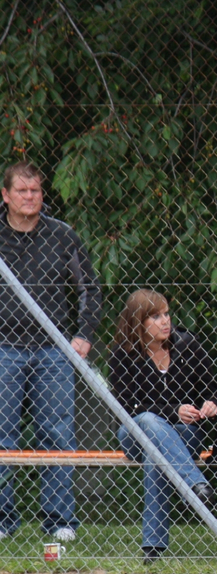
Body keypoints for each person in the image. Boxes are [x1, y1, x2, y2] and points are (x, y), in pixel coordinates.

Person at [0, 162, 101, 543]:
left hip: (53, 351)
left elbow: (89, 287)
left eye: (36, 191)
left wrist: (84, 335)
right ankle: (3, 520)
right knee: (1, 436)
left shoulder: (62, 235)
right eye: (22, 191)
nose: (30, 197)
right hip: (3, 349)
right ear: (5, 195)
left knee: (57, 434)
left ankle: (59, 521)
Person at [110, 290, 217, 563]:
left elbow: (214, 390)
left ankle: (153, 547)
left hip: (183, 436)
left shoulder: (187, 346)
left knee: (156, 453)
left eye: (166, 314)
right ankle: (195, 484)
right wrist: (173, 411)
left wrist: (211, 404)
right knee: (148, 420)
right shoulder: (123, 355)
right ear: (138, 322)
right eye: (156, 316)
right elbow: (127, 407)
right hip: (135, 434)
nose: (165, 321)